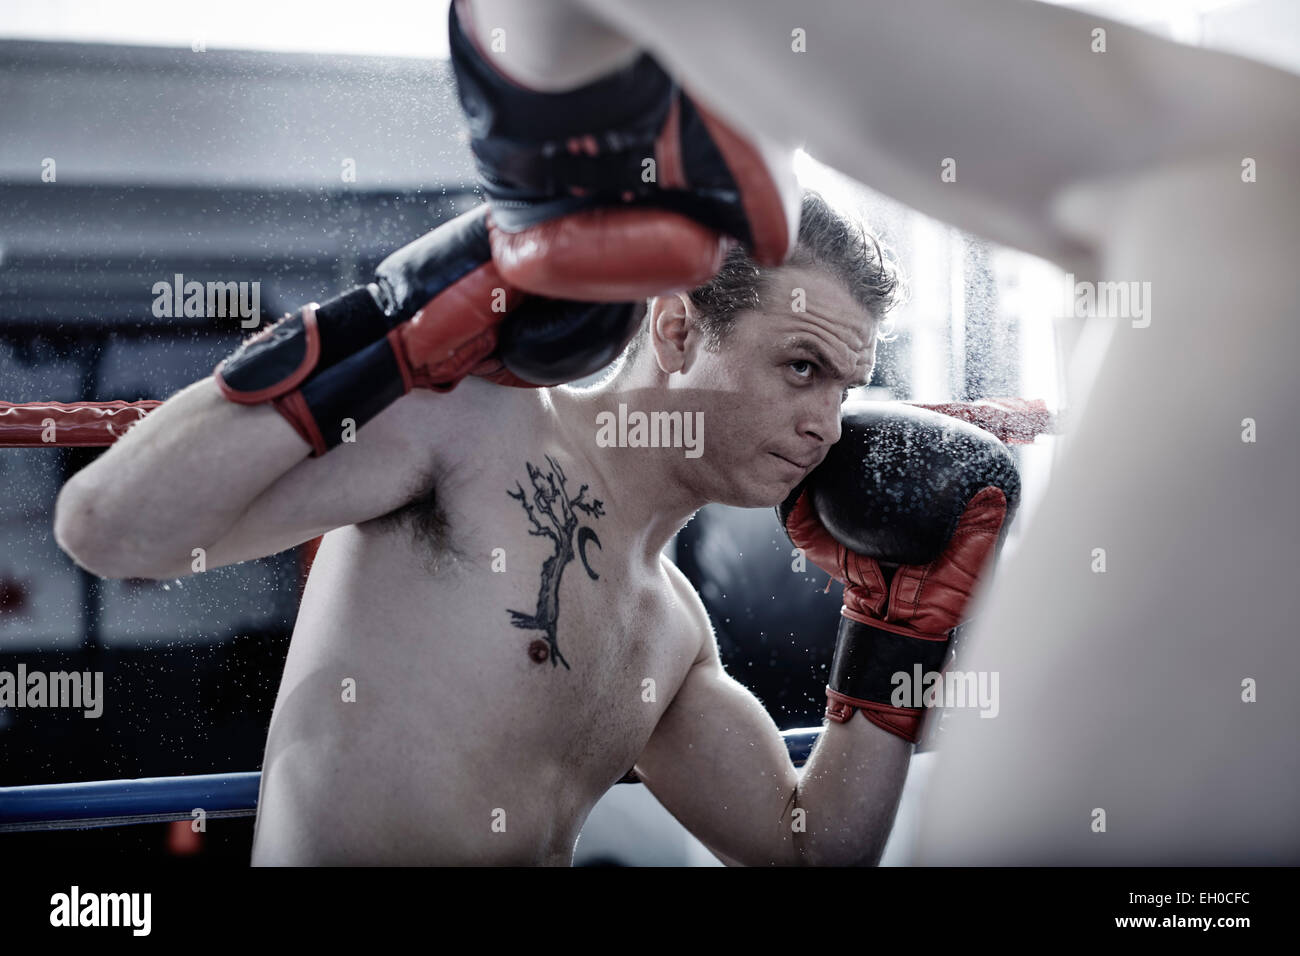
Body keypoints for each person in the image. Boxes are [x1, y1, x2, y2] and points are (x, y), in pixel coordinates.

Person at [543, 0, 1300, 861]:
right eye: (801, 367)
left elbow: (811, 852)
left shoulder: (664, 634)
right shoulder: (464, 427)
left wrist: (890, 625)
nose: (827, 428)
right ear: (676, 329)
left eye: (845, 388)